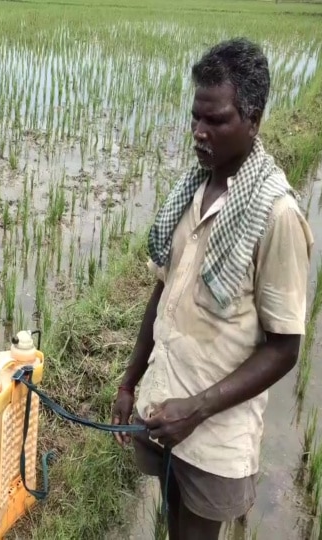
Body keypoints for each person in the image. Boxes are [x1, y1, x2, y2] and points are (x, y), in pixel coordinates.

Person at [111, 38, 313, 540]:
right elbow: (164, 294)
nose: (200, 133)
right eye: (195, 118)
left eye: (216, 121)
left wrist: (197, 409)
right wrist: (128, 381)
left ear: (254, 118)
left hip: (215, 435)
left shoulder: (276, 215)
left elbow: (285, 348)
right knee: (170, 517)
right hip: (165, 409)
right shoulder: (195, 187)